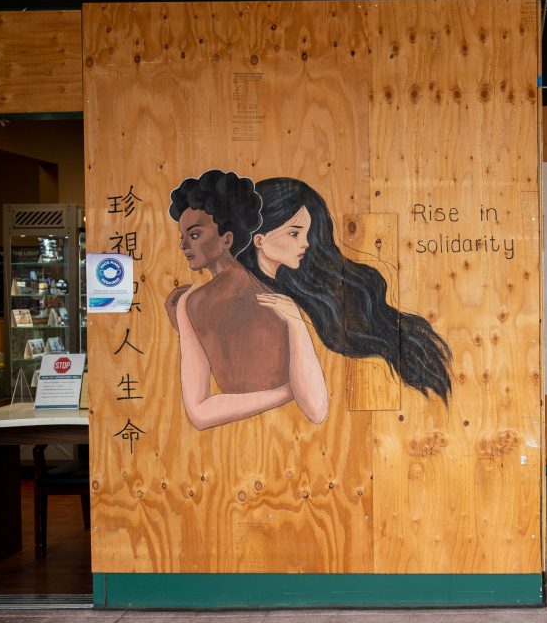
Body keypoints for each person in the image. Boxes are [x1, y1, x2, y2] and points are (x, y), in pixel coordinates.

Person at [238, 177, 453, 404]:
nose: (306, 243)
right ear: (259, 239)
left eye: (307, 234)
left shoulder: (300, 294)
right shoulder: (253, 299)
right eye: (294, 233)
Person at [165, 170, 329, 430]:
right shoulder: (189, 303)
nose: (183, 245)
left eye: (194, 235)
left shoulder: (191, 303)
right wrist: (288, 391)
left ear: (227, 239)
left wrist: (296, 323)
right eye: (183, 236)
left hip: (287, 438)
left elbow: (317, 410)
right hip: (259, 438)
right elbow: (198, 414)